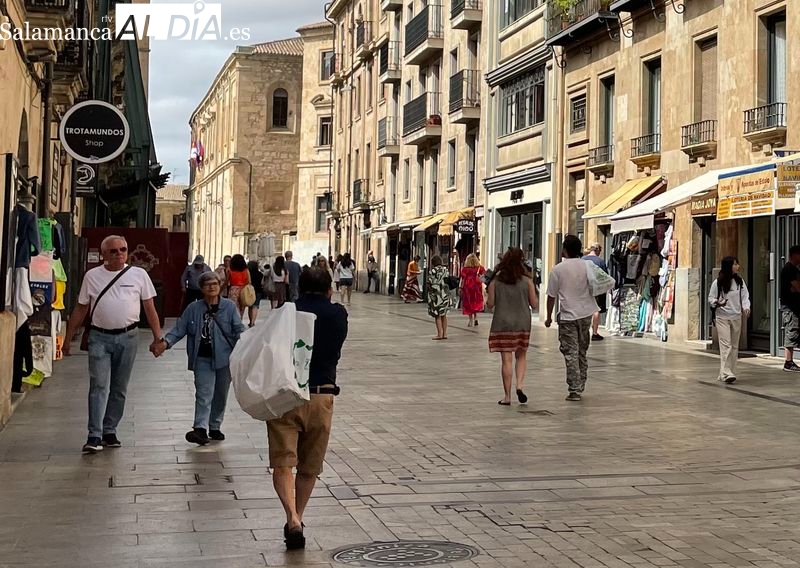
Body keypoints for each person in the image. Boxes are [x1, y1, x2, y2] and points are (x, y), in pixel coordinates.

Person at [267, 267, 348, 550]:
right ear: (330, 289)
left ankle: (292, 518)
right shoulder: (338, 315)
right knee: (309, 467)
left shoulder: (286, 312)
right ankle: (298, 516)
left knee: (282, 463)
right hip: (321, 397)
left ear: (299, 288)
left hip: (286, 395)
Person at [62, 235, 163, 453]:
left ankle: (109, 430)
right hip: (99, 337)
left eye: (123, 249)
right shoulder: (92, 276)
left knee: (119, 387)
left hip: (128, 337)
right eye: (114, 251)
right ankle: (94, 434)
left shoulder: (139, 275)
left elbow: (149, 307)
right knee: (98, 385)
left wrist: (158, 338)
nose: (119, 254)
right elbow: (81, 308)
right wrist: (68, 338)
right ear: (103, 255)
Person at [151, 272, 246, 444]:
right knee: (204, 393)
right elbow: (179, 330)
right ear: (201, 288)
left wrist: (247, 344)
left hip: (225, 358)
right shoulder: (193, 309)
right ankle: (200, 428)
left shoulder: (229, 307)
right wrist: (165, 343)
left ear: (220, 286)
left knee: (220, 394)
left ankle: (215, 426)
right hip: (202, 358)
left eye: (215, 284)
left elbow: (239, 328)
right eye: (207, 284)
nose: (212, 287)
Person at [545, 235, 599, 402]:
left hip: (568, 315)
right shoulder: (588, 266)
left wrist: (548, 317)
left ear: (564, 250)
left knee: (571, 352)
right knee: (582, 351)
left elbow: (551, 296)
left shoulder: (558, 269)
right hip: (586, 314)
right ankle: (581, 382)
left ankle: (575, 389)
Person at [487, 248, 538, 405]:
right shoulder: (527, 281)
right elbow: (534, 304)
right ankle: (520, 386)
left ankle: (507, 396)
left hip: (502, 323)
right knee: (521, 356)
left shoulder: (496, 281)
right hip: (522, 322)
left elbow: (490, 304)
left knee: (506, 360)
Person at [709, 256, 751, 384]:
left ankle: (727, 373)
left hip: (736, 317)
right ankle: (727, 373)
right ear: (729, 266)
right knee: (726, 345)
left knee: (734, 346)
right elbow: (711, 299)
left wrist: (746, 307)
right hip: (722, 317)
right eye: (735, 264)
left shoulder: (739, 281)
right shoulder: (718, 282)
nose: (738, 266)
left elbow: (745, 296)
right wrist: (718, 302)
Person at [779, 245, 800, 372]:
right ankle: (788, 361)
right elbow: (797, 287)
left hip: (795, 307)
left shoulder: (795, 270)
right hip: (790, 307)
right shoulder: (789, 269)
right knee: (791, 331)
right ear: (793, 255)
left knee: (794, 331)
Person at [583, 243, 609, 341]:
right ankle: (594, 333)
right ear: (597, 250)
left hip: (584, 289)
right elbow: (605, 277)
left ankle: (584, 331)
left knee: (585, 310)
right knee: (595, 310)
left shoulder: (582, 260)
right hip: (597, 289)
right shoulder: (600, 261)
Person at [427, 255, 450, 340]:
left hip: (436, 296)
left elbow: (429, 282)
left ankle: (439, 334)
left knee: (437, 315)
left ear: (433, 263)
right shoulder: (446, 270)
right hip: (445, 295)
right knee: (444, 315)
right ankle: (445, 334)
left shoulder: (432, 271)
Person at [460, 253, 485, 327]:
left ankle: (470, 320)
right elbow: (484, 275)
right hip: (477, 287)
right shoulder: (480, 268)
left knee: (469, 303)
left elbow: (463, 279)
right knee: (475, 302)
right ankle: (476, 318)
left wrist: (461, 288)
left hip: (468, 287)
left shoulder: (465, 269)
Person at [247, 260, 264, 327]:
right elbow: (262, 283)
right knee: (255, 306)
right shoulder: (260, 274)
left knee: (250, 307)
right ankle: (253, 322)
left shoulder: (248, 273)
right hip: (258, 291)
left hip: (250, 291)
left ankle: (250, 320)